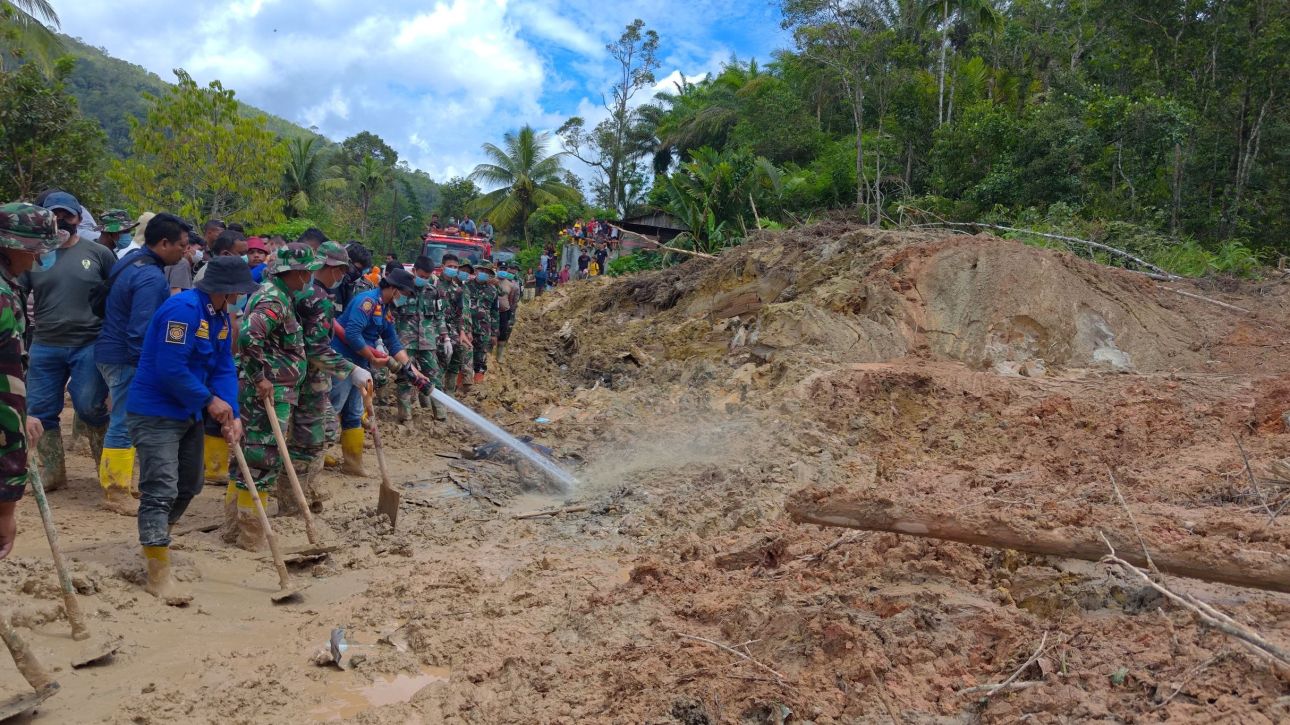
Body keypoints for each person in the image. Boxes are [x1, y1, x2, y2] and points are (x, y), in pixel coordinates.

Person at [127, 256, 256, 606]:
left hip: (188, 412)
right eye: (241, 291)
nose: (242, 297)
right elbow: (171, 368)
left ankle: (155, 540)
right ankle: (157, 572)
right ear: (228, 289)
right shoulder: (182, 311)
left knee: (189, 484)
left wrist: (233, 412)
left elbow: (224, 366)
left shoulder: (219, 317)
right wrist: (208, 401)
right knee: (161, 487)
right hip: (156, 412)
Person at [224, 244, 319, 550]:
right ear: (297, 273)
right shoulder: (274, 299)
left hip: (274, 387)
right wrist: (260, 376)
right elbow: (249, 335)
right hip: (267, 390)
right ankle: (251, 535)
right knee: (262, 458)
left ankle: (233, 529)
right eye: (308, 272)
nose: (310, 278)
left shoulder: (278, 295)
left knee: (249, 457)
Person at [95, 213, 190, 516]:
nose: (185, 252)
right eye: (182, 246)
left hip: (112, 350)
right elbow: (140, 330)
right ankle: (115, 491)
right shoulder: (150, 277)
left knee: (126, 421)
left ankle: (123, 482)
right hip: (125, 357)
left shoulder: (134, 260)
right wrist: (149, 370)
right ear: (164, 243)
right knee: (123, 422)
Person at [21, 191, 115, 491]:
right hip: (45, 342)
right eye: (54, 214)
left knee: (90, 407)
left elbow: (117, 295)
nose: (61, 220)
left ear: (78, 218)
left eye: (67, 215)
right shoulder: (33, 256)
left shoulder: (99, 253)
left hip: (89, 342)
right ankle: (52, 473)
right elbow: (18, 296)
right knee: (40, 409)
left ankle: (109, 472)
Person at [281, 240, 368, 515]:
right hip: (308, 378)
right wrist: (350, 370)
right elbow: (316, 348)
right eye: (340, 270)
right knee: (310, 439)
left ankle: (303, 490)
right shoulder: (316, 298)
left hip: (299, 374)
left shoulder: (304, 292)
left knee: (319, 432)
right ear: (330, 268)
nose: (342, 276)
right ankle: (294, 499)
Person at [0, 204, 63, 561]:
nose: (39, 261)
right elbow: (6, 401)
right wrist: (7, 508)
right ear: (14, 246)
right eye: (37, 251)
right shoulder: (4, 299)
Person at [329, 268, 424, 475]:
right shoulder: (368, 302)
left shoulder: (386, 309)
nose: (405, 299)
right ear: (393, 288)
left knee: (354, 412)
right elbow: (353, 334)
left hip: (361, 362)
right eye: (404, 294)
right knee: (333, 407)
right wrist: (372, 357)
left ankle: (353, 464)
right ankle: (317, 458)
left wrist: (412, 369)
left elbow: (392, 341)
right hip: (343, 360)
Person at [393, 256, 447, 422]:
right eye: (421, 276)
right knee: (405, 378)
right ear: (414, 271)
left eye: (427, 277)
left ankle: (440, 414)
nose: (424, 279)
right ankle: (405, 416)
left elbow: (439, 315)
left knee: (435, 377)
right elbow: (392, 315)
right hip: (405, 342)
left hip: (427, 342)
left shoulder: (433, 292)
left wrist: (445, 337)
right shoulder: (402, 290)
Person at [437, 254, 470, 395]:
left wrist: (462, 332)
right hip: (436, 327)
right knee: (439, 361)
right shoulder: (433, 285)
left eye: (455, 267)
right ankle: (434, 393)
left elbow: (460, 314)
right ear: (442, 266)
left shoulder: (457, 289)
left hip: (453, 328)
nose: (453, 269)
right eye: (450, 266)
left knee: (459, 353)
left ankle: (449, 392)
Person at [468, 261, 499, 386]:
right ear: (476, 271)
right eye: (482, 271)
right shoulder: (466, 286)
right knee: (463, 357)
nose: (484, 274)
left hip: (484, 330)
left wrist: (494, 334)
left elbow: (495, 312)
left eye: (487, 272)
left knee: (480, 359)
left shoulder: (493, 290)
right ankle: (460, 387)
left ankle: (477, 386)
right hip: (467, 329)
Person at [336, 242, 374, 312]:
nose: (358, 274)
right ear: (348, 261)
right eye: (356, 268)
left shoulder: (349, 285)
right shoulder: (332, 281)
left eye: (361, 271)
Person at [494, 265, 520, 363]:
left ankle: (499, 355)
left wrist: (510, 311)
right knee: (491, 331)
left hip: (504, 311)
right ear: (497, 270)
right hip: (492, 312)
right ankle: (489, 352)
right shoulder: (492, 281)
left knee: (503, 332)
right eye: (501, 269)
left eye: (505, 270)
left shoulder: (510, 285)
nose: (503, 271)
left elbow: (511, 300)